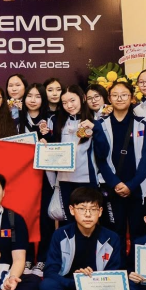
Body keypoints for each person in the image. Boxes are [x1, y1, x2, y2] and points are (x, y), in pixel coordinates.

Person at [93, 81, 146, 254]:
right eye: (115, 95)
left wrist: (131, 185)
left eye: (124, 95)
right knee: (114, 231)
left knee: (138, 232)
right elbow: (100, 159)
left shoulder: (142, 124)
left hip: (137, 188)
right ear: (109, 98)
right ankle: (116, 266)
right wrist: (115, 183)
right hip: (112, 187)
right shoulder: (100, 125)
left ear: (132, 98)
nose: (119, 98)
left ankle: (135, 267)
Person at [18, 83, 53, 274]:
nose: (33, 100)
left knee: (46, 219)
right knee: (25, 217)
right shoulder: (17, 118)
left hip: (46, 176)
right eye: (29, 96)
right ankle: (27, 258)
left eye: (37, 96)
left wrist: (49, 139)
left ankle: (43, 259)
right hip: (23, 175)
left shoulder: (51, 120)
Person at [52, 85, 98, 220]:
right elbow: (54, 148)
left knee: (88, 217)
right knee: (68, 217)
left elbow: (103, 151)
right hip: (64, 179)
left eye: (72, 100)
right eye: (64, 102)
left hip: (86, 178)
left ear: (83, 98)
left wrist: (95, 131)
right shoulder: (58, 121)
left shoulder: (94, 119)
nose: (69, 105)